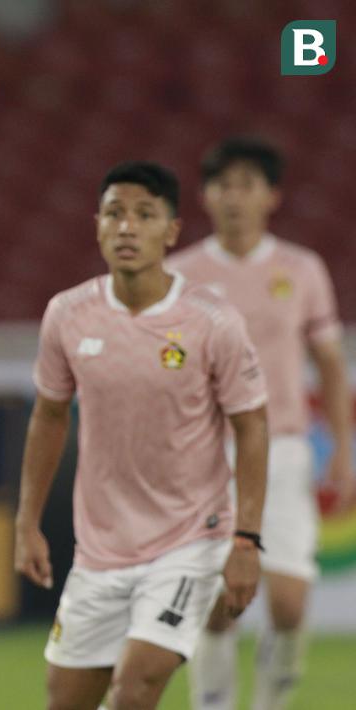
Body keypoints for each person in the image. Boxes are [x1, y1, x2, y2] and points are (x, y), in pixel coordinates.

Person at [14, 161, 269, 710]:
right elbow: (50, 416)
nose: (127, 227)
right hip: (101, 550)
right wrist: (27, 522)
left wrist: (246, 539)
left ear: (171, 231)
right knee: (66, 701)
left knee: (136, 689)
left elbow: (252, 426)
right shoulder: (68, 314)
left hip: (189, 540)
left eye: (145, 215)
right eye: (115, 214)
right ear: (98, 225)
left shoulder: (212, 321)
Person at [168, 137, 353, 710]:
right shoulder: (180, 274)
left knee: (291, 604)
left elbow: (328, 363)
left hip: (286, 448)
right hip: (209, 454)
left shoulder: (300, 269)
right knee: (221, 600)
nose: (234, 198)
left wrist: (344, 451)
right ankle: (214, 703)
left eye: (247, 185)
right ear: (204, 195)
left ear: (271, 196)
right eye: (223, 185)